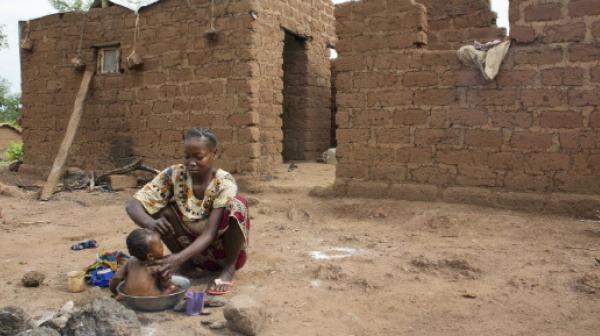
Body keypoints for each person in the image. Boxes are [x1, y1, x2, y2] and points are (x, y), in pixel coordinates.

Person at [125, 127, 250, 295]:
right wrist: (151, 223)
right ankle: (188, 267)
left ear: (215, 154)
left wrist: (178, 258)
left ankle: (228, 270)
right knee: (159, 208)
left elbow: (210, 234)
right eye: (187, 156)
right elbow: (133, 205)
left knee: (238, 205)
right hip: (188, 252)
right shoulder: (174, 175)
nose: (191, 162)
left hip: (220, 253)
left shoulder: (224, 183)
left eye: (199, 157)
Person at [109, 228, 176, 296]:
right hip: (151, 301)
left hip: (129, 298)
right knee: (172, 287)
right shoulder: (157, 267)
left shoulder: (130, 262)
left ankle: (120, 296)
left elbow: (117, 277)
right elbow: (167, 283)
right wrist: (169, 285)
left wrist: (114, 291)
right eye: (160, 246)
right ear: (150, 256)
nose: (162, 246)